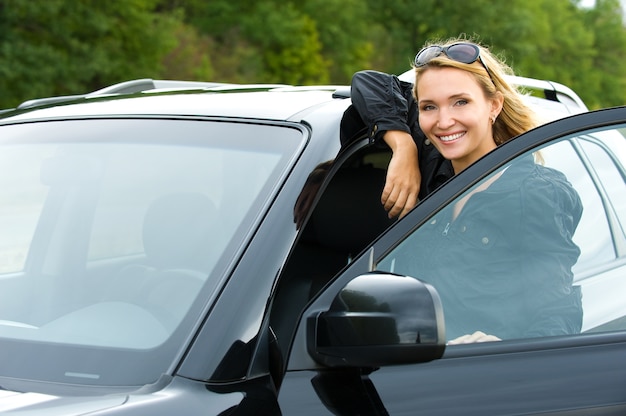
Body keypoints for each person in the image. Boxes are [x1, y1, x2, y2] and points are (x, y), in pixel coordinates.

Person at [350, 37, 583, 343]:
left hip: (480, 376)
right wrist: (403, 145)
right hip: (404, 369)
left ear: (494, 105)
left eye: (461, 102)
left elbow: (558, 314)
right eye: (429, 106)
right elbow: (368, 82)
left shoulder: (534, 193)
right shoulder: (431, 162)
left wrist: (500, 348)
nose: (444, 121)